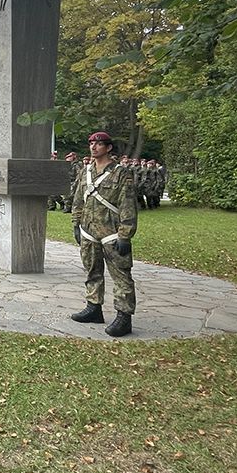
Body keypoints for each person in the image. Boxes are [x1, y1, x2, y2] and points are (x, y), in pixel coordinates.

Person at [70, 131, 138, 337]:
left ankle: (124, 317)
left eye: (98, 144)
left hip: (112, 233)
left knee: (121, 276)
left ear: (108, 148)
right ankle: (93, 308)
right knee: (92, 271)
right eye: (91, 143)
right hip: (89, 231)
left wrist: (125, 234)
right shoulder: (86, 171)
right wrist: (76, 223)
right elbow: (78, 199)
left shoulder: (121, 173)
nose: (93, 147)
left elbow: (128, 206)